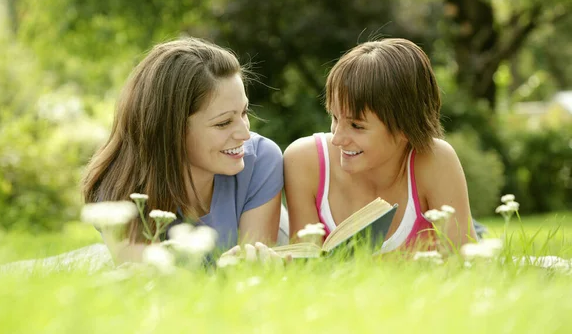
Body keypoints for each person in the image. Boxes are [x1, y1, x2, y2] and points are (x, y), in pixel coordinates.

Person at [82, 37, 283, 262]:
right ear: (170, 129)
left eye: (244, 112)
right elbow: (149, 285)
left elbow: (253, 275)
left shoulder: (261, 161)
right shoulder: (120, 187)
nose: (245, 134)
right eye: (223, 123)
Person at [284, 38, 477, 253]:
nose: (337, 139)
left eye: (357, 125)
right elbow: (303, 270)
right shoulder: (304, 162)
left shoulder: (434, 160)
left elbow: (465, 263)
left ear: (406, 126)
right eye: (335, 118)